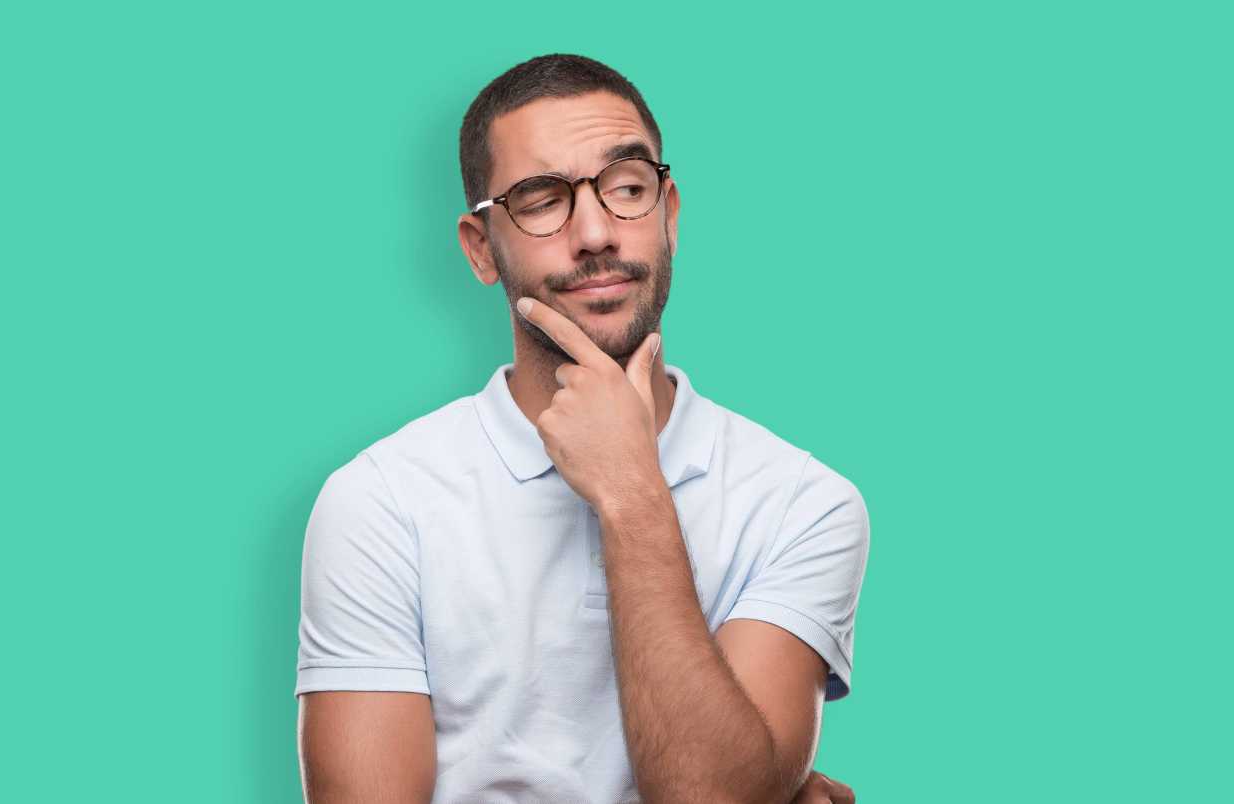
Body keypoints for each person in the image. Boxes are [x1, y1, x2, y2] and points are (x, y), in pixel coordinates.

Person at [294, 54, 870, 804]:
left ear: (669, 213)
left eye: (627, 189)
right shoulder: (380, 501)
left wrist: (632, 494)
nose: (596, 233)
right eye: (541, 200)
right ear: (480, 248)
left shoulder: (805, 503)